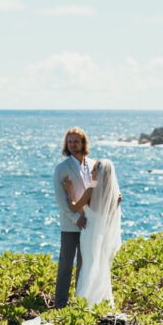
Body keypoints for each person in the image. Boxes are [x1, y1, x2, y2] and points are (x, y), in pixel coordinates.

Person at [60, 159, 120, 307]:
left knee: (87, 265)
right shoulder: (115, 195)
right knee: (100, 266)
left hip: (88, 233)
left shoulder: (91, 191)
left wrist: (69, 191)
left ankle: (85, 301)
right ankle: (101, 301)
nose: (91, 172)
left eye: (94, 170)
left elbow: (74, 208)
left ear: (99, 173)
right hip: (102, 234)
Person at [52, 128, 93, 308]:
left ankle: (79, 302)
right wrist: (76, 218)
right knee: (65, 266)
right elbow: (61, 201)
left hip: (91, 224)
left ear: (83, 143)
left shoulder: (93, 165)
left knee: (84, 267)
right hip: (70, 225)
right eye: (70, 142)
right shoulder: (61, 168)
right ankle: (60, 305)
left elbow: (97, 191)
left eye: (76, 141)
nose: (72, 144)